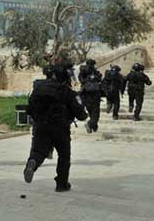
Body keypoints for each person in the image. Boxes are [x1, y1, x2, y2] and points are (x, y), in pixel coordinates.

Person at [23, 64, 87, 192]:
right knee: (64, 155)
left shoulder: (39, 88)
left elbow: (29, 108)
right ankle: (62, 184)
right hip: (60, 128)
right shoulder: (68, 92)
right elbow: (81, 115)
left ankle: (33, 162)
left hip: (41, 125)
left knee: (39, 151)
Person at [78, 59, 103, 133]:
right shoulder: (93, 71)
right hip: (93, 93)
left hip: (85, 91)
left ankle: (93, 125)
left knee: (91, 112)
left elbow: (80, 79)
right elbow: (99, 78)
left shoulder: (83, 70)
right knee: (95, 113)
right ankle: (91, 124)